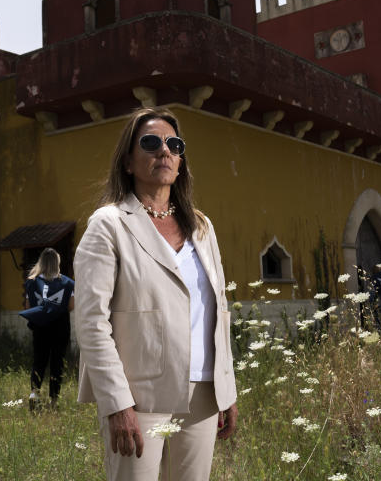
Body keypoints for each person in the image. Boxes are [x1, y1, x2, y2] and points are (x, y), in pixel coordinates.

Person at [75, 107, 238, 481]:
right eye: (150, 143)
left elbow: (218, 310)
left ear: (180, 162)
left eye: (174, 145)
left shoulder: (201, 226)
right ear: (129, 162)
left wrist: (226, 389)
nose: (164, 151)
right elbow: (91, 323)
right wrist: (117, 404)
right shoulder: (109, 225)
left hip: (203, 390)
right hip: (139, 395)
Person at [22, 247, 75, 409]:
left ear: (41, 263)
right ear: (57, 263)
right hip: (60, 327)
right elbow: (71, 306)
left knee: (39, 360)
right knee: (57, 363)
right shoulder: (67, 283)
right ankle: (53, 401)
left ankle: (34, 393)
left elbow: (28, 305)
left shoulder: (32, 282)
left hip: (40, 327)